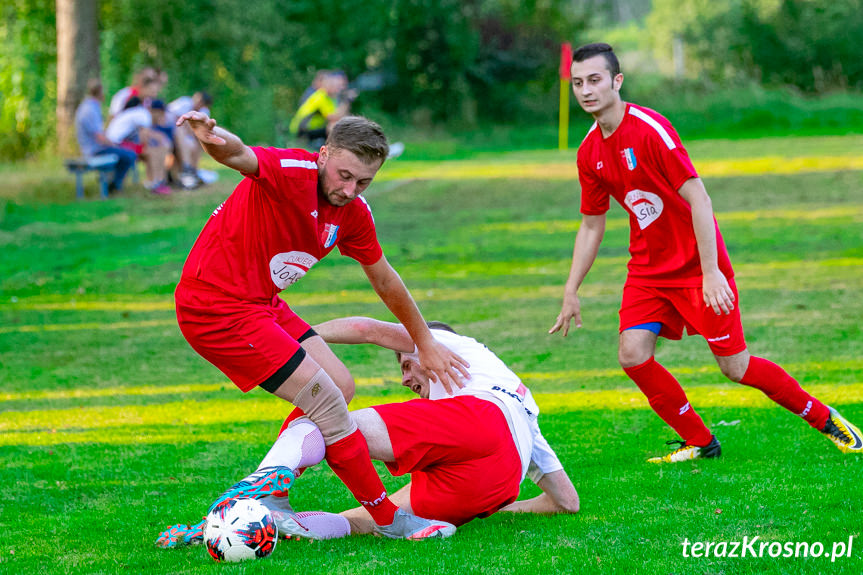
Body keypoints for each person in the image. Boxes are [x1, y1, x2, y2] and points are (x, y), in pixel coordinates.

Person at [550, 42, 863, 463]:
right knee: (632, 354)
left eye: (594, 80)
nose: (586, 90)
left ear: (616, 81)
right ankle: (700, 442)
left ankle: (825, 418)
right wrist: (572, 289)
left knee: (735, 368)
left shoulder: (650, 130)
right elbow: (591, 222)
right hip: (648, 271)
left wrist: (711, 271)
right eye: (578, 83)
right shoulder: (589, 151)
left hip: (699, 267)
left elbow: (700, 198)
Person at [168, 110, 470, 541]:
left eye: (363, 182)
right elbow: (238, 154)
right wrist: (211, 135)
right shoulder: (292, 171)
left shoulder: (354, 213)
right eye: (343, 175)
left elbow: (385, 279)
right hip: (215, 307)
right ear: (323, 154)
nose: (348, 190)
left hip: (261, 303)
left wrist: (425, 342)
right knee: (328, 401)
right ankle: (387, 518)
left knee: (341, 384)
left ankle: (260, 497)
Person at [156, 318, 578, 545]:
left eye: (407, 363)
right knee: (365, 522)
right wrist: (500, 508)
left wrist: (300, 336)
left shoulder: (449, 344)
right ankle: (246, 527)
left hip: (481, 423)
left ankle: (262, 490)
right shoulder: (527, 404)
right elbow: (566, 502)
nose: (406, 377)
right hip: (496, 483)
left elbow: (367, 330)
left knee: (330, 416)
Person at [73, 78, 137, 194]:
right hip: (94, 150)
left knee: (125, 152)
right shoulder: (90, 109)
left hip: (95, 147)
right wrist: (114, 145)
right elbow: (99, 137)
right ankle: (114, 186)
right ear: (99, 92)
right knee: (129, 155)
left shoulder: (90, 106)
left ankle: (112, 182)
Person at [105, 97, 172, 195]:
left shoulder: (139, 112)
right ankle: (157, 184)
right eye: (161, 113)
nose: (162, 116)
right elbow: (143, 140)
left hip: (115, 143)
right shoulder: (145, 115)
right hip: (116, 145)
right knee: (153, 152)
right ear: (155, 111)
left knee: (155, 150)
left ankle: (156, 182)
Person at [289, 71, 357, 150]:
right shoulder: (320, 96)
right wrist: (347, 100)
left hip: (312, 129)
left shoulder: (330, 98)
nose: (338, 88)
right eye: (334, 85)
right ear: (326, 85)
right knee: (333, 126)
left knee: (340, 125)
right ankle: (334, 151)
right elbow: (334, 117)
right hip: (302, 131)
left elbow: (341, 116)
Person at [166, 91, 214, 188]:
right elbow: (177, 121)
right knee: (181, 131)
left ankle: (192, 171)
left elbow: (201, 129)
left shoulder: (203, 111)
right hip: (169, 130)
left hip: (186, 136)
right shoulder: (185, 102)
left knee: (198, 141)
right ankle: (186, 168)